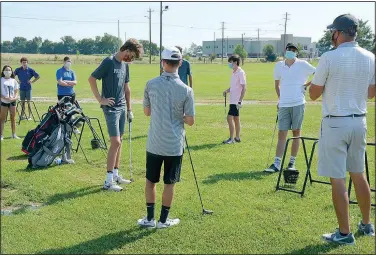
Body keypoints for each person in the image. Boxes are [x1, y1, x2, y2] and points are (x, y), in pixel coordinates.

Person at [310, 14, 375, 245]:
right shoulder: (370, 57)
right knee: (359, 174)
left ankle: (345, 234)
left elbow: (314, 94)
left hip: (335, 121)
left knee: (337, 179)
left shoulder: (329, 57)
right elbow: (371, 93)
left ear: (337, 33)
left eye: (332, 32)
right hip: (360, 121)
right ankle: (367, 225)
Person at [137, 46, 195, 229]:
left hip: (154, 142)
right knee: (169, 183)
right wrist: (179, 116)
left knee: (150, 181)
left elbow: (147, 112)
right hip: (174, 144)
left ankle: (149, 218)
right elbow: (190, 120)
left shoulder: (150, 84)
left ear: (162, 63)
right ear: (180, 63)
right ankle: (163, 221)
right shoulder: (187, 90)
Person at [88, 38, 143, 192]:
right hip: (111, 108)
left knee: (120, 141)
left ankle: (116, 175)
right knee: (116, 142)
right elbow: (92, 79)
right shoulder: (109, 62)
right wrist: (101, 99)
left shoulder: (125, 65)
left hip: (122, 107)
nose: (131, 59)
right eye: (131, 56)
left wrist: (130, 109)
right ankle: (107, 181)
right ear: (126, 50)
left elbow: (127, 88)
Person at [264, 43, 315, 173]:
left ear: (296, 53)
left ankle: (292, 163)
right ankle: (276, 164)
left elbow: (319, 73)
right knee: (282, 133)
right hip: (284, 105)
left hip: (298, 103)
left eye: (293, 50)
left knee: (296, 133)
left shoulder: (302, 64)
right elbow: (277, 86)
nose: (291, 52)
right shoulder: (278, 66)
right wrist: (280, 100)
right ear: (285, 51)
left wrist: (306, 85)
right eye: (289, 50)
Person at [222, 54, 246, 144]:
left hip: (236, 101)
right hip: (233, 99)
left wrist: (240, 100)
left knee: (229, 118)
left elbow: (244, 88)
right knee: (236, 119)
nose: (229, 64)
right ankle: (237, 138)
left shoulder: (240, 72)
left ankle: (231, 139)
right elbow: (233, 87)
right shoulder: (234, 72)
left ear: (235, 62)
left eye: (230, 62)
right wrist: (226, 91)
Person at [0, 65, 20, 140]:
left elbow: (16, 91)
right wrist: (4, 97)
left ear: (11, 72)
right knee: (2, 118)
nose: (8, 71)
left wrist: (14, 98)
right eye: (6, 70)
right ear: (3, 71)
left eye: (9, 70)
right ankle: (1, 135)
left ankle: (14, 134)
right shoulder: (1, 80)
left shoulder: (13, 80)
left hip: (12, 102)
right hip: (4, 101)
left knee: (13, 118)